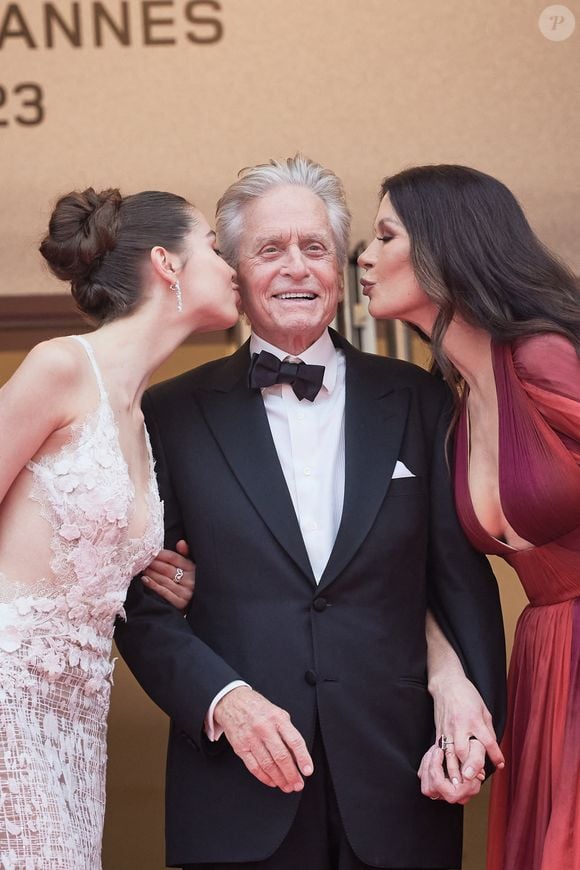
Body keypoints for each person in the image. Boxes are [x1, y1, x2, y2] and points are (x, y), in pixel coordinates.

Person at [115, 155, 506, 870]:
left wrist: (475, 711)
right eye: (270, 249)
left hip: (399, 786)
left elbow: (458, 579)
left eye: (314, 247)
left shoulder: (421, 400)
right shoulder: (168, 414)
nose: (296, 267)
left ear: (338, 266)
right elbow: (135, 602)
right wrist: (223, 701)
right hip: (236, 788)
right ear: (235, 270)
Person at [0, 186, 239, 868]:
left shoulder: (143, 417)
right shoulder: (61, 368)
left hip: (77, 713)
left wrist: (173, 576)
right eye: (216, 252)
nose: (233, 269)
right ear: (168, 264)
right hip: (9, 691)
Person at [357, 163, 580, 870]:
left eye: (385, 235)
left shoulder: (544, 357)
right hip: (545, 657)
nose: (363, 254)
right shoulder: (452, 411)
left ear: (444, 248)